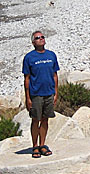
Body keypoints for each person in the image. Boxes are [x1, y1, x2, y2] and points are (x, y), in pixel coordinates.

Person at [22, 30, 59, 158]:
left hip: (49, 92)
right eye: (38, 38)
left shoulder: (51, 55)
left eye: (42, 37)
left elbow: (55, 75)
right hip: (36, 94)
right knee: (35, 120)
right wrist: (27, 98)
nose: (41, 39)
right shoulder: (29, 58)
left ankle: (43, 145)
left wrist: (56, 92)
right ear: (33, 42)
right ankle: (35, 147)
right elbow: (26, 78)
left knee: (45, 120)